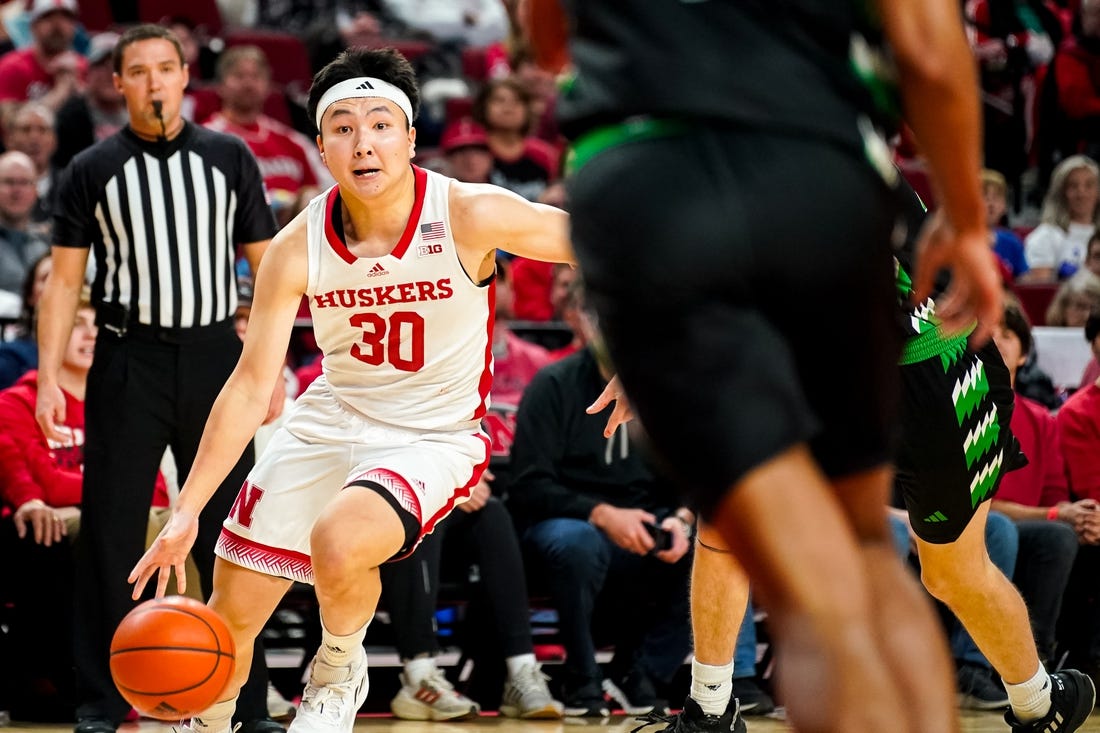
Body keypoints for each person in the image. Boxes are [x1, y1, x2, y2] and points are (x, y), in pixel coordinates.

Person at [522, 0, 1077, 730]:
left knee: (922, 566)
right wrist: (970, 222)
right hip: (813, 192)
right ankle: (712, 707)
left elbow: (550, 40)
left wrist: (659, 328)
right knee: (828, 557)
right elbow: (932, 49)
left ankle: (1036, 698)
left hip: (652, 186)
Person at [127, 45, 573, 733]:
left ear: (410, 137)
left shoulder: (467, 213)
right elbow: (251, 386)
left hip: (432, 435)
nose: (363, 142)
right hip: (330, 418)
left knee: (339, 538)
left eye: (379, 124)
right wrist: (186, 510)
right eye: (342, 127)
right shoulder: (295, 246)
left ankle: (338, 669)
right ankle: (202, 722)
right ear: (322, 147)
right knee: (229, 616)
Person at [33, 24, 282, 733]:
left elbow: (269, 268)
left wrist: (272, 366)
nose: (151, 82)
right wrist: (51, 376)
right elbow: (62, 287)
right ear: (118, 83)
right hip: (126, 359)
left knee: (236, 534)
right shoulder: (91, 167)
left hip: (214, 359)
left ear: (183, 76)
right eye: (136, 71)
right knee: (111, 537)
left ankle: (246, 701)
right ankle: (103, 704)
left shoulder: (229, 156)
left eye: (164, 68)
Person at [509, 297, 693, 719]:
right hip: (566, 524)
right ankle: (581, 679)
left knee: (711, 549)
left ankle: (639, 671)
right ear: (579, 320)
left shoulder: (660, 388)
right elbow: (527, 486)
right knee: (577, 541)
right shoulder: (553, 385)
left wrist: (681, 519)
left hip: (644, 527)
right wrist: (601, 513)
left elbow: (691, 478)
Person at [203, 45, 331, 227]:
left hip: (295, 237)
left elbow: (329, 190)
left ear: (268, 85)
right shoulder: (206, 140)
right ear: (220, 85)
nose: (248, 83)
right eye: (239, 76)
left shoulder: (294, 141)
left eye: (256, 77)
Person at [1024, 155, 1100, 281]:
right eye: (1073, 186)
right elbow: (1042, 291)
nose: (1081, 193)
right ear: (1061, 193)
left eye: (1089, 185)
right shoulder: (1045, 236)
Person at [0, 151, 49, 315]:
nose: (17, 191)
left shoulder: (49, 244)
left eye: (24, 182)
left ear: (36, 190)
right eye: (8, 182)